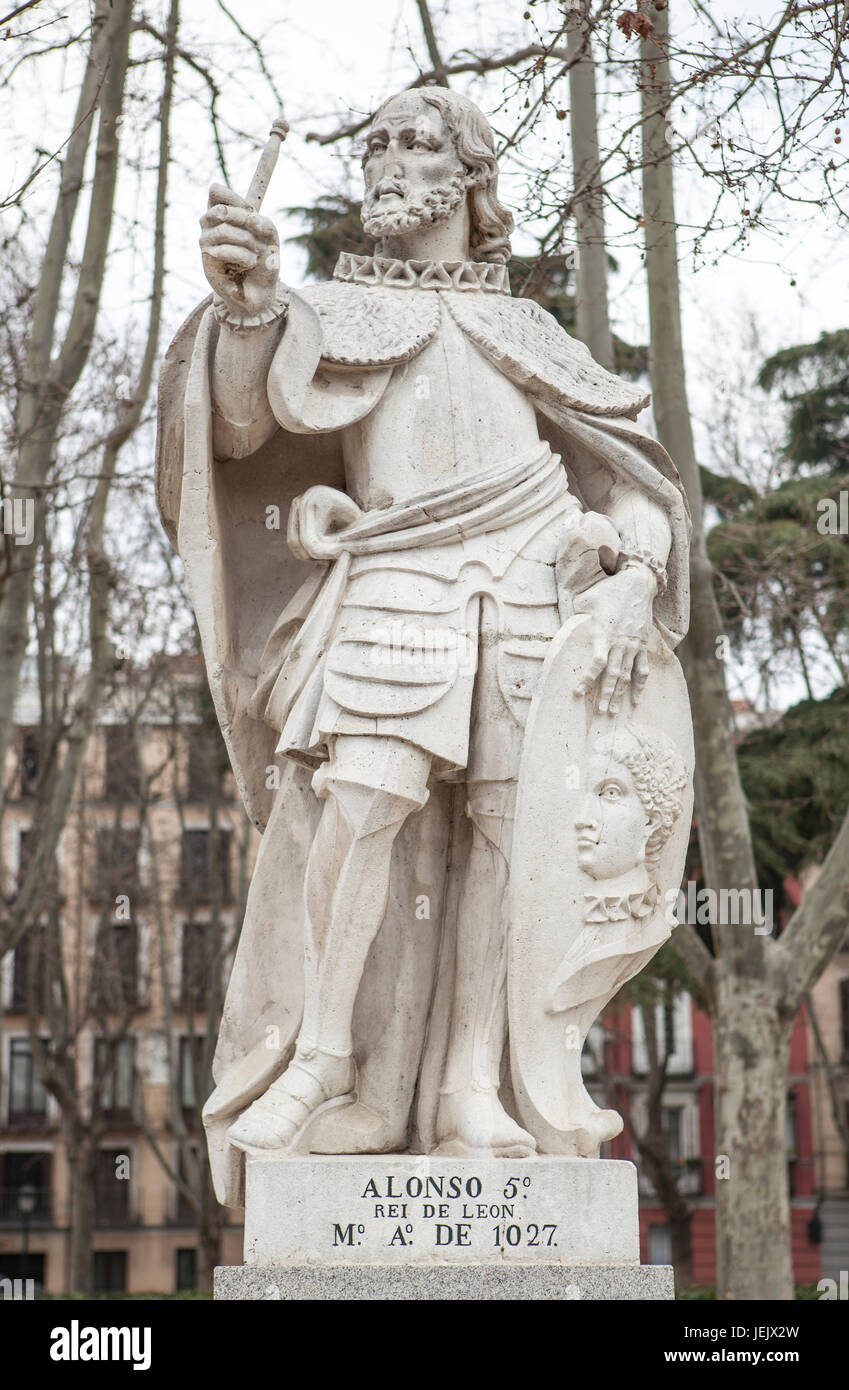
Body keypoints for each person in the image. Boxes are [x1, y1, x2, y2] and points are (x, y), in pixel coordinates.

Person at [156, 87, 690, 1200]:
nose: (388, 161)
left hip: (532, 590)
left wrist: (638, 578)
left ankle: (469, 1090)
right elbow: (248, 423)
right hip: (398, 581)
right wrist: (248, 306)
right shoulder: (332, 313)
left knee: (508, 837)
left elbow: (631, 483)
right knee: (365, 806)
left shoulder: (532, 333)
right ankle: (322, 1061)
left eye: (415, 143)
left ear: (470, 175)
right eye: (376, 145)